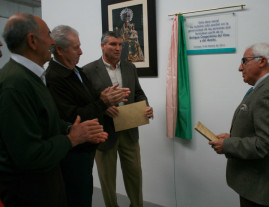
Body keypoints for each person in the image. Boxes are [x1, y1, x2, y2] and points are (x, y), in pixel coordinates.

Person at [0, 13, 107, 207]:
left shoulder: (31, 77)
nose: (51, 41)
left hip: (47, 185)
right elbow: (28, 154)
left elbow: (48, 119)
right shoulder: (15, 84)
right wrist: (71, 139)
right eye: (48, 35)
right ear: (32, 41)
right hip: (29, 194)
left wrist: (73, 130)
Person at [45, 25, 130, 207]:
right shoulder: (54, 77)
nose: (81, 52)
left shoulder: (76, 71)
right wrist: (102, 102)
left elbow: (89, 100)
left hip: (87, 147)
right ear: (59, 50)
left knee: (84, 193)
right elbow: (72, 117)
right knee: (77, 197)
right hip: (72, 153)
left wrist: (102, 98)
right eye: (76, 48)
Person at [209, 43, 269, 207]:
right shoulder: (266, 88)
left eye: (244, 61)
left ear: (262, 61)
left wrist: (228, 144)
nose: (239, 68)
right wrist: (233, 137)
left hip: (261, 188)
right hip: (256, 184)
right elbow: (263, 133)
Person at [83, 31, 154, 207]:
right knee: (107, 179)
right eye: (113, 44)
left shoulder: (129, 67)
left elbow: (138, 92)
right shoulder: (88, 70)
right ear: (102, 46)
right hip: (103, 132)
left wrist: (145, 106)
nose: (118, 48)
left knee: (135, 175)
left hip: (129, 129)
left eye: (120, 44)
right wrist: (103, 108)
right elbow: (85, 102)